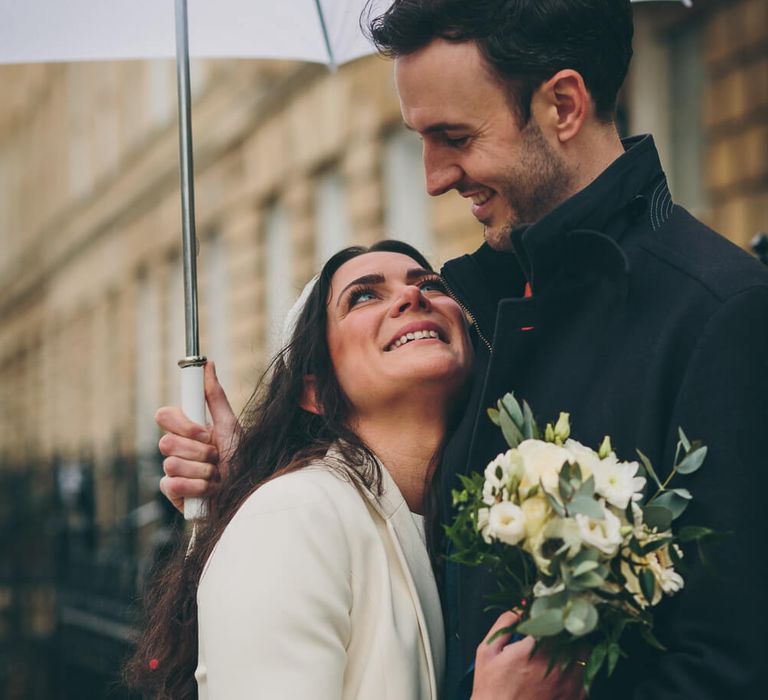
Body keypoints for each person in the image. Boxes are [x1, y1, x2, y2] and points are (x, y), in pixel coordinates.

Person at [163, 1, 768, 698]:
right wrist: (255, 473)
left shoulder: (720, 315)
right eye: (421, 139)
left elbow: (731, 670)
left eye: (453, 135)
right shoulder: (480, 316)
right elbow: (404, 518)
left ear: (563, 105)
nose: (433, 177)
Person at [126, 240, 584, 700]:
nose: (414, 297)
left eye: (432, 285)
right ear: (316, 392)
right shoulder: (295, 514)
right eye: (364, 295)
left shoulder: (479, 524)